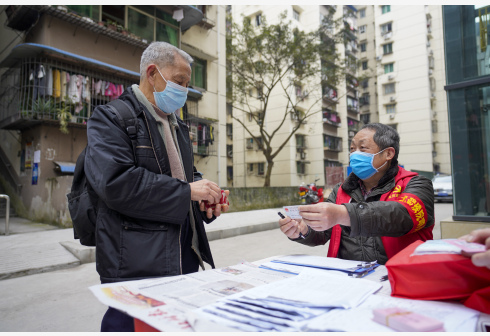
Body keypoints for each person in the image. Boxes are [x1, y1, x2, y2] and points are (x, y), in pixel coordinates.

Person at [85, 42, 229, 332]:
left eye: (187, 84)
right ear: (152, 73)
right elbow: (116, 183)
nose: (184, 91)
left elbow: (185, 177)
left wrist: (204, 200)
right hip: (137, 265)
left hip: (184, 257)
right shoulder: (111, 119)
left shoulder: (177, 125)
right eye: (179, 81)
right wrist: (188, 191)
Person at [279, 123, 434, 264]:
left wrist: (344, 214)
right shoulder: (341, 190)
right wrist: (302, 231)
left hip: (399, 278)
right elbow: (324, 232)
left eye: (363, 148)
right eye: (352, 149)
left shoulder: (415, 184)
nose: (354, 154)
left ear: (388, 154)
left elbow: (402, 216)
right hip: (350, 279)